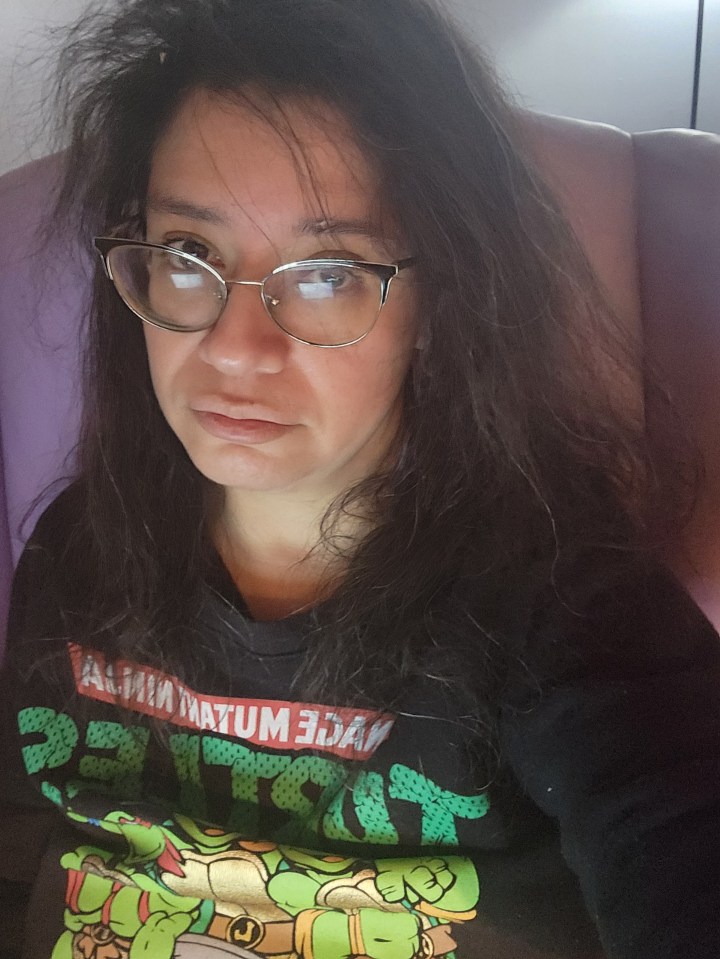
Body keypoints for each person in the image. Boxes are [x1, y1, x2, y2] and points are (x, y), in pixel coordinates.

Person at [0, 0, 719, 957]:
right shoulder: (78, 547)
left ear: (441, 299)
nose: (235, 348)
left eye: (328, 272)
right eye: (188, 254)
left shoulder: (567, 603)